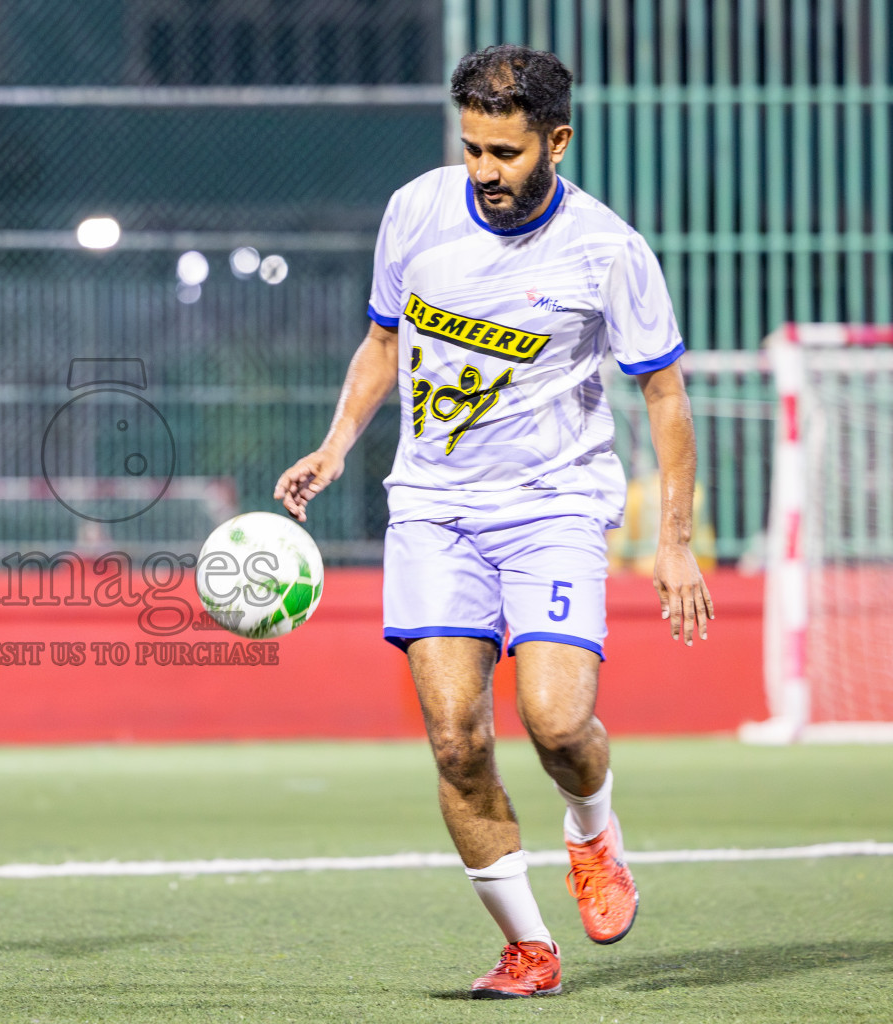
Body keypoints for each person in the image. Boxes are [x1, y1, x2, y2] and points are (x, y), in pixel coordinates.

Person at [274, 45, 713, 999]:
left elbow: (666, 396)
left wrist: (673, 541)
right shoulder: (415, 212)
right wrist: (337, 443)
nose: (485, 172)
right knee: (455, 739)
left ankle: (594, 834)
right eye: (472, 148)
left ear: (555, 139)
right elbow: (384, 341)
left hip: (553, 506)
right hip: (433, 508)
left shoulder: (608, 250)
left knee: (557, 722)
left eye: (506, 153)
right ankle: (527, 949)